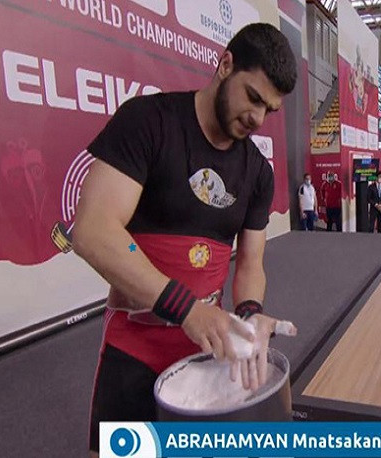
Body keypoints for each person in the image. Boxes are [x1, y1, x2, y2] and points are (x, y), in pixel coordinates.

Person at [71, 23, 298, 456]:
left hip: (207, 353)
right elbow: (93, 230)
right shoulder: (147, 122)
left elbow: (250, 264)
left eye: (268, 109)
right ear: (225, 64)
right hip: (134, 347)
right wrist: (186, 309)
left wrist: (250, 313)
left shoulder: (257, 172)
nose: (257, 118)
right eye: (253, 97)